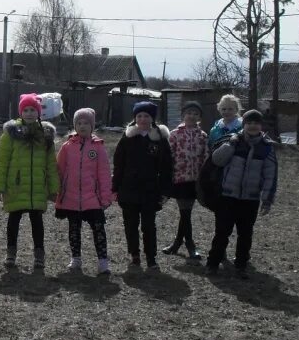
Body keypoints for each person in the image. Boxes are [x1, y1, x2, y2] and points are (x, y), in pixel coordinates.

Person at [206, 109, 277, 279]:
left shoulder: (266, 148)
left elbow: (270, 175)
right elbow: (217, 160)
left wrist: (266, 199)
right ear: (243, 124)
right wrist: (230, 143)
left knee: (245, 234)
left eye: (256, 123)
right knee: (222, 232)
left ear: (261, 125)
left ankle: (241, 266)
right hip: (228, 197)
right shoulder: (233, 141)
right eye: (249, 123)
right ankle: (212, 264)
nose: (252, 126)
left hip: (250, 199)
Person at [0, 93, 58, 271]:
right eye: (26, 110)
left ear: (38, 113)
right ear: (21, 112)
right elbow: (2, 161)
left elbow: (51, 164)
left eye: (32, 110)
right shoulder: (11, 134)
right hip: (16, 186)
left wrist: (53, 188)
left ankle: (39, 255)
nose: (29, 113)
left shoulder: (45, 136)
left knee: (37, 221)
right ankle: (11, 253)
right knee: (14, 219)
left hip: (37, 187)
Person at [111, 101, 173, 269]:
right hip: (128, 189)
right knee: (130, 225)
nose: (143, 119)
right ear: (135, 118)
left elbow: (167, 167)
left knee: (149, 226)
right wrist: (114, 188)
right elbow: (118, 164)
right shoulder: (127, 137)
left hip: (150, 191)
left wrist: (166, 191)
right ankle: (134, 255)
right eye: (139, 116)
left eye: (146, 116)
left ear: (152, 118)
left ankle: (151, 258)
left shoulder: (160, 139)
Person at [55, 107, 112, 275]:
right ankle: (76, 258)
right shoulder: (67, 147)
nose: (82, 126)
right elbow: (59, 171)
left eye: (86, 123)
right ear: (74, 125)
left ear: (92, 126)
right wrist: (58, 194)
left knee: (98, 229)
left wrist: (105, 197)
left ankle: (103, 261)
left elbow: (104, 174)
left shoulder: (98, 147)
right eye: (79, 123)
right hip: (71, 198)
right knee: (74, 229)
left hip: (92, 198)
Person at [163, 101, 207, 261]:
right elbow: (169, 157)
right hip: (180, 179)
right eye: (189, 113)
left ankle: (176, 243)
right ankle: (190, 244)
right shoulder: (175, 134)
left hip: (195, 180)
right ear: (183, 115)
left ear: (199, 117)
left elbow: (205, 157)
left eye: (196, 113)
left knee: (186, 213)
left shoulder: (202, 136)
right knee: (185, 212)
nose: (192, 116)